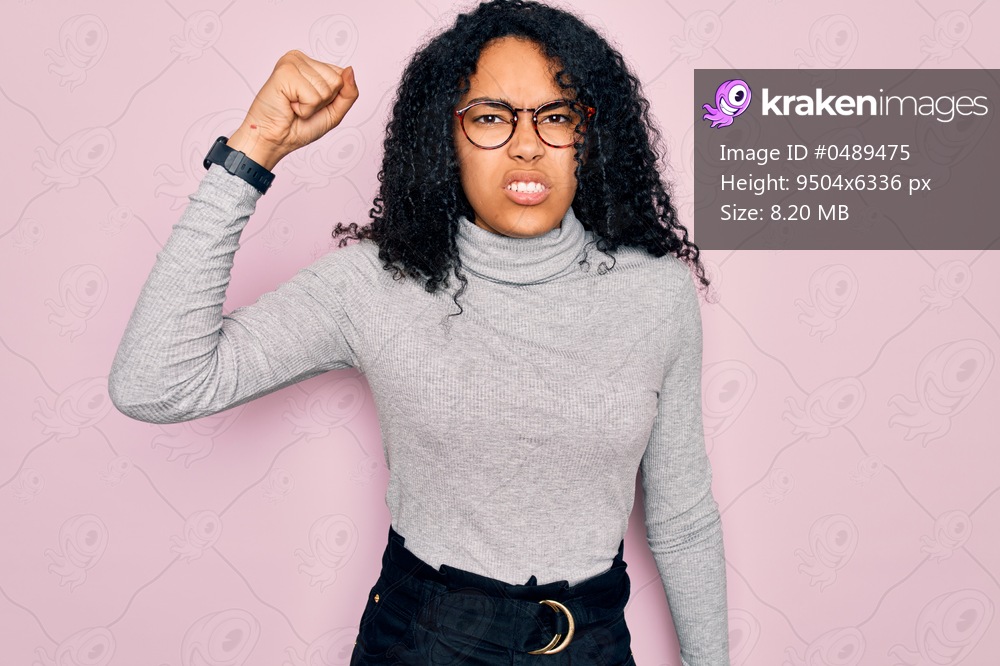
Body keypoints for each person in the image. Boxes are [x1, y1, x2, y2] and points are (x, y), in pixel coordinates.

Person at [108, 0, 729, 664]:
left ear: (590, 136)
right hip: (425, 637)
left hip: (593, 641)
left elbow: (684, 523)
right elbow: (155, 383)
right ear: (446, 137)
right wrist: (254, 147)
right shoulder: (376, 284)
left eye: (557, 116)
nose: (527, 143)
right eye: (490, 117)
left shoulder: (655, 295)